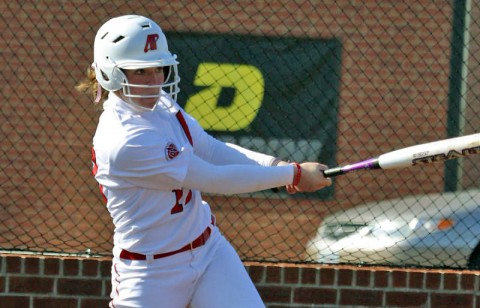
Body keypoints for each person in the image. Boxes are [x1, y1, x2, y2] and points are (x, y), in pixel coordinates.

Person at [77, 14, 332, 308]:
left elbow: (210, 149)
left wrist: (275, 167)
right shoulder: (124, 139)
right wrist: (293, 175)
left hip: (209, 251)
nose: (155, 80)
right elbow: (213, 178)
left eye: (159, 68)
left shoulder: (159, 104)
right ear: (112, 73)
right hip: (151, 273)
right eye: (141, 72)